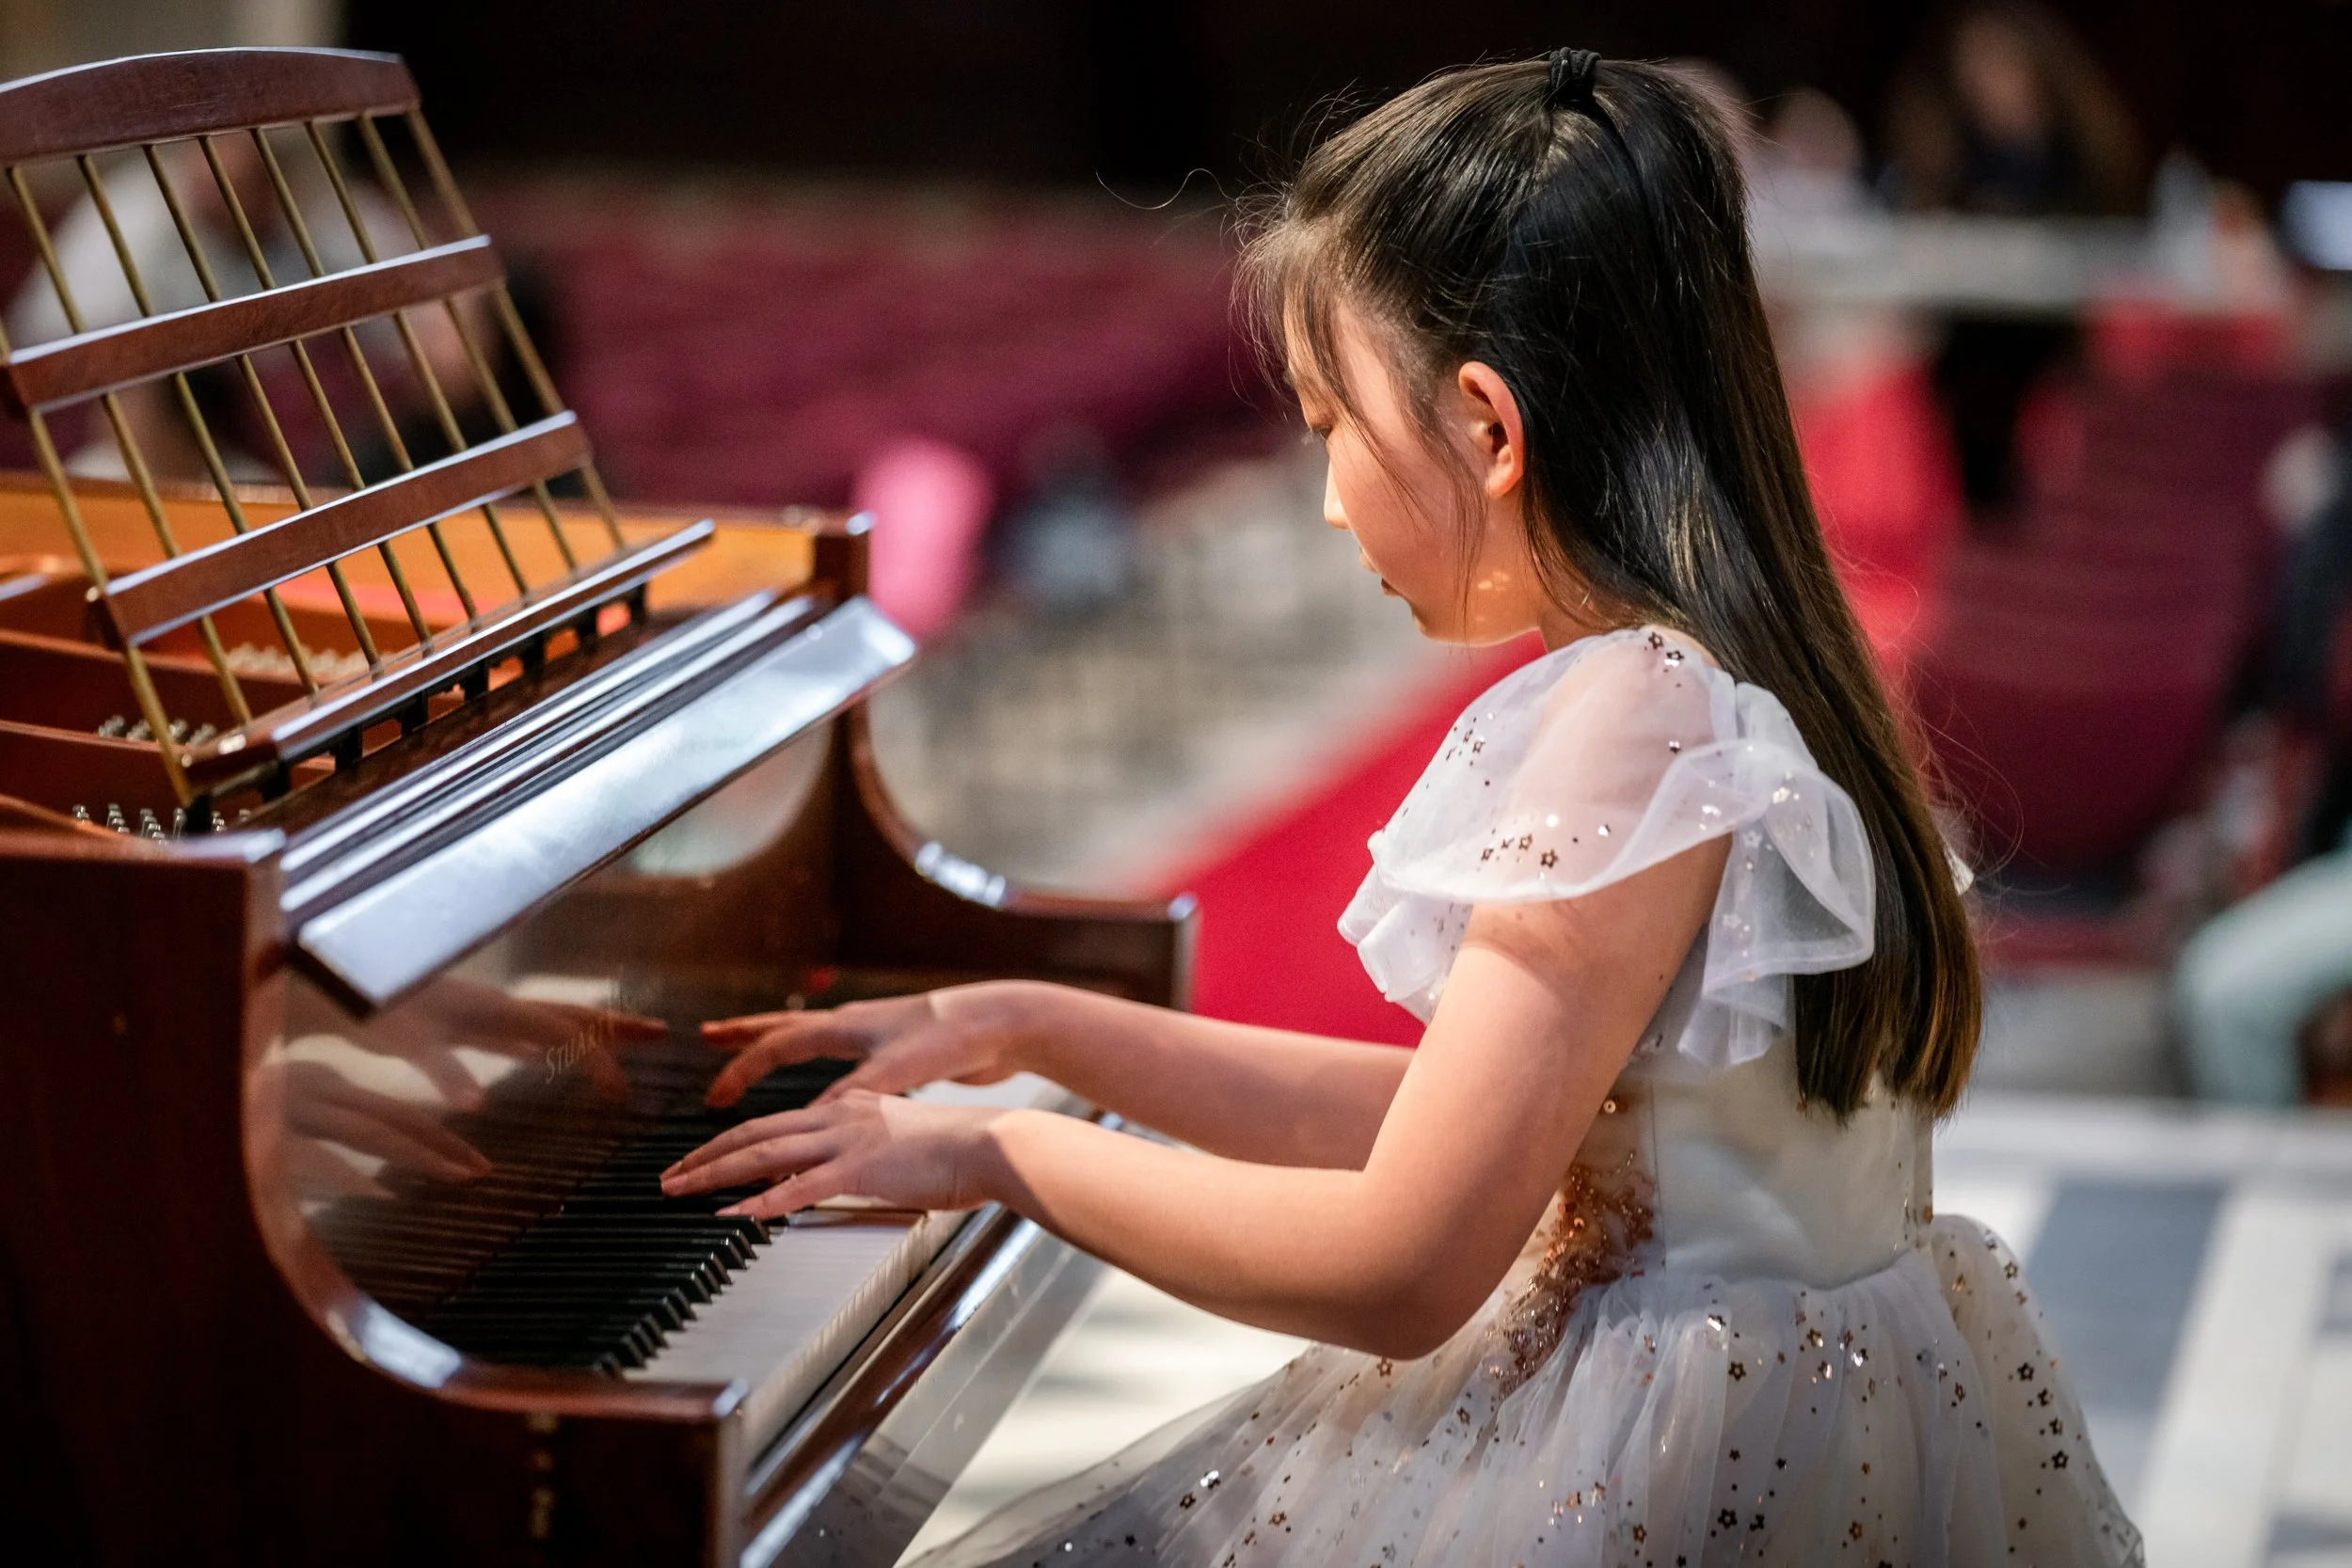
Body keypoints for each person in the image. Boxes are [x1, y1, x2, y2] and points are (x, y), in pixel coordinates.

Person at [663, 51, 2141, 1564]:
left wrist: (999, 1158)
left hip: (1661, 1467)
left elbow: (1408, 1258)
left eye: (1326, 424)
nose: (1323, 496)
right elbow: (1483, 1130)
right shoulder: (1758, 664)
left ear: (1491, 431)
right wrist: (1040, 1029)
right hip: (1806, 1407)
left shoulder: (1638, 712)